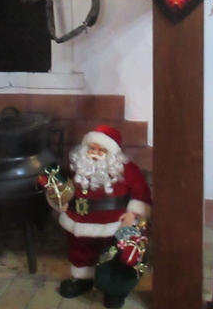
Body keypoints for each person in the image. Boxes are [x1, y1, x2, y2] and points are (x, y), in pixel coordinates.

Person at [51, 125, 152, 308]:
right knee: (80, 250)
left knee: (111, 255)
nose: (95, 154)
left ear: (111, 153)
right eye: (92, 148)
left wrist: (132, 213)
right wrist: (61, 200)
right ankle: (82, 279)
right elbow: (63, 186)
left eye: (100, 150)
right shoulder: (76, 168)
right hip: (79, 219)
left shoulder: (128, 170)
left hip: (112, 222)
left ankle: (113, 289)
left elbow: (141, 193)